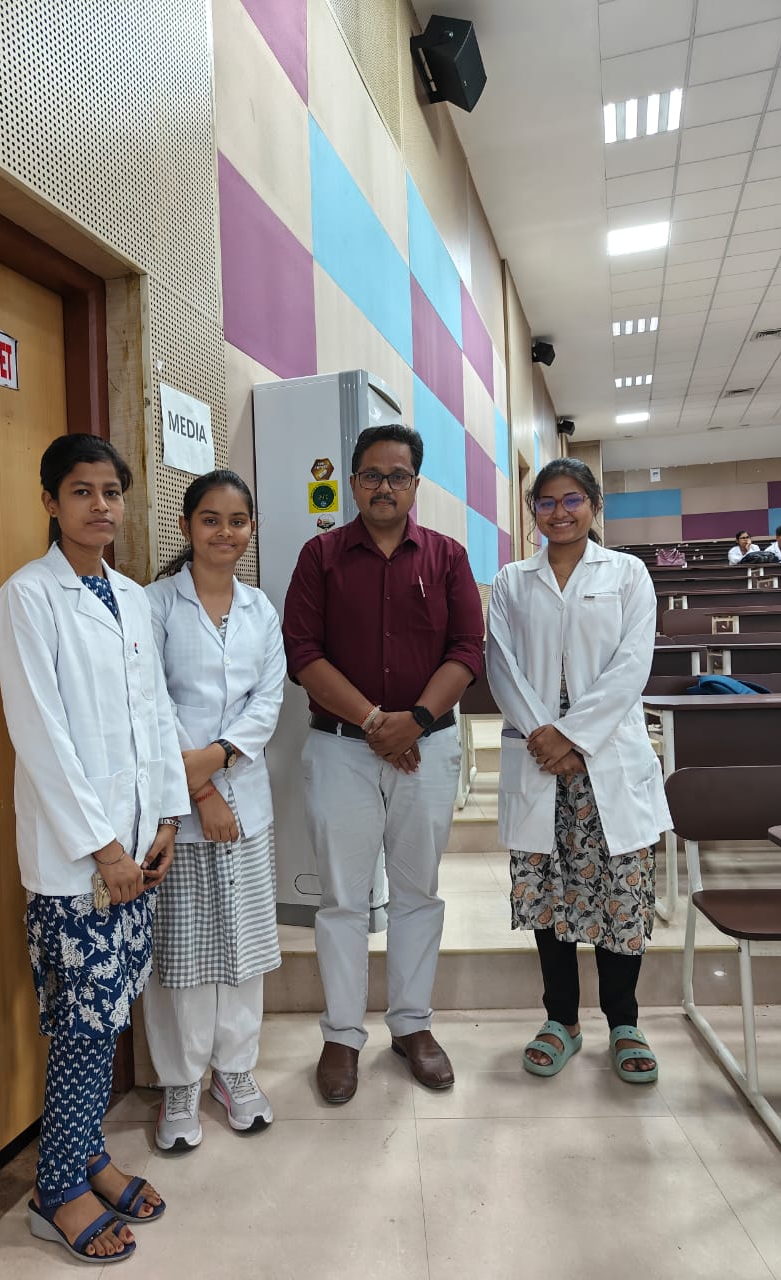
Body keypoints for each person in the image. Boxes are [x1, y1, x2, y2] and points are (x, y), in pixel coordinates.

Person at [0, 434, 190, 1264]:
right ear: (50, 502)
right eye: (81, 491)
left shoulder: (132, 597)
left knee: (108, 1015)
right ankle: (57, 1188)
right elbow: (41, 734)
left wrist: (169, 816)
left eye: (112, 491)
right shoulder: (28, 597)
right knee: (83, 1024)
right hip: (82, 862)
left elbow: (156, 715)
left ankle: (89, 1156)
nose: (100, 506)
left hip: (137, 850)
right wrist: (105, 847)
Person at [283, 424, 485, 1104]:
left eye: (398, 476)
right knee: (343, 899)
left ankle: (411, 1026)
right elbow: (303, 654)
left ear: (415, 484)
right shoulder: (320, 556)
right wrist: (376, 723)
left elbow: (467, 650)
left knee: (417, 891)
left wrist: (415, 721)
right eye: (371, 475)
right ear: (352, 481)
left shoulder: (448, 557)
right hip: (341, 747)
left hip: (428, 747)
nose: (384, 487)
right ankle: (341, 1035)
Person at [486, 458, 672, 1084]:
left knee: (621, 897)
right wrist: (545, 737)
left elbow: (632, 664)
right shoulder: (512, 580)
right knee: (550, 895)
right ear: (533, 512)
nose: (559, 512)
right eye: (546, 501)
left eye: (572, 500)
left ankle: (625, 1022)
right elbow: (501, 665)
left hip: (606, 758)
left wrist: (570, 736)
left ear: (594, 505)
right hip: (541, 759)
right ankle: (560, 1019)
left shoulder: (627, 574)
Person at [141, 470, 284, 1150]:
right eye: (210, 519)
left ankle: (235, 1070)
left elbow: (269, 699)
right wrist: (199, 792)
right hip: (178, 809)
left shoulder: (261, 609)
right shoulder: (154, 604)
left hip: (246, 801)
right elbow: (149, 700)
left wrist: (219, 762)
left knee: (244, 947)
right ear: (186, 526)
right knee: (182, 952)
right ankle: (180, 1082)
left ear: (252, 528)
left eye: (237, 520)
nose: (225, 532)